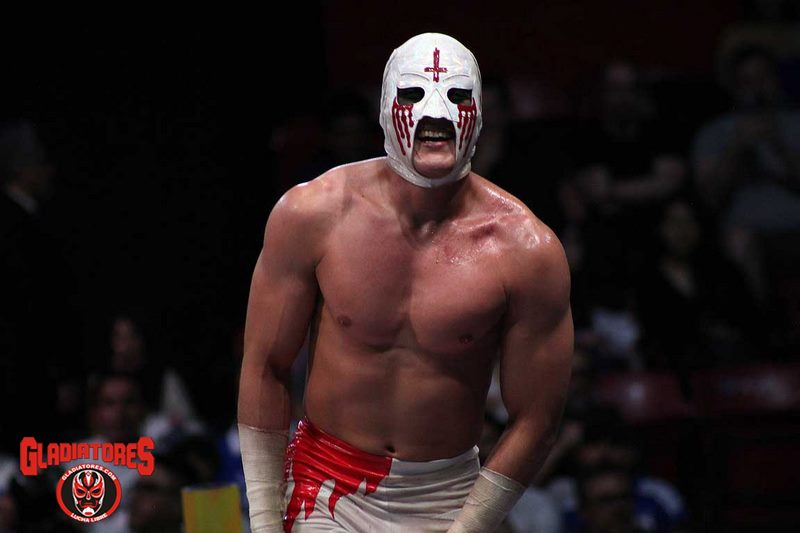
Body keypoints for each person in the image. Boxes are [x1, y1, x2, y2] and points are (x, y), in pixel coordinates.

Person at [237, 33, 573, 533]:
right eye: (413, 94)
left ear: (480, 114)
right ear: (384, 108)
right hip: (325, 486)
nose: (435, 113)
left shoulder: (526, 250)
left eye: (456, 96)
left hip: (447, 494)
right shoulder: (312, 213)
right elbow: (266, 365)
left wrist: (469, 527)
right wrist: (265, 521)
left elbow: (537, 419)